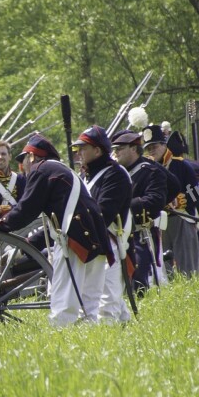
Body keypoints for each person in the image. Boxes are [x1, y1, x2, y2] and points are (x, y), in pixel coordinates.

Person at [0, 135, 113, 327]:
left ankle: (60, 333)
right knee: (89, 301)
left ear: (32, 157)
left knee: (63, 296)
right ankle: (89, 336)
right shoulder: (59, 170)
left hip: (75, 237)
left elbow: (26, 209)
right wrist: (27, 245)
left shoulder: (41, 170)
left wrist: (2, 224)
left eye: (22, 160)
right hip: (94, 235)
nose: (22, 167)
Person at [72, 125, 132, 323]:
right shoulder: (84, 176)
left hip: (108, 241)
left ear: (97, 150)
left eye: (83, 148)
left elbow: (103, 213)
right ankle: (128, 329)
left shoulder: (115, 175)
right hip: (89, 240)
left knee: (107, 303)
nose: (78, 152)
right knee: (97, 296)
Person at [111, 130, 168, 293]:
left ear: (134, 149)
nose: (116, 152)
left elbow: (155, 200)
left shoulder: (151, 172)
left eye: (120, 148)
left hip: (139, 233)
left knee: (139, 282)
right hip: (115, 233)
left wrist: (122, 207)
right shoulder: (115, 173)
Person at [143, 125, 199, 277]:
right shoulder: (147, 168)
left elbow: (197, 192)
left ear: (163, 145)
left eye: (154, 146)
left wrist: (182, 200)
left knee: (188, 268)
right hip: (159, 222)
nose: (151, 151)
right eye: (148, 148)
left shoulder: (180, 165)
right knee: (163, 267)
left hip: (181, 218)